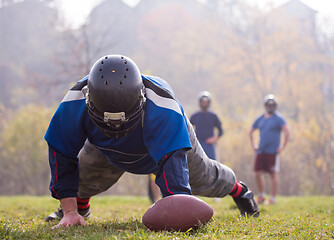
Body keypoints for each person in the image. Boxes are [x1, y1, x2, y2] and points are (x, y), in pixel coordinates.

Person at [44, 55, 259, 228]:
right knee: (83, 178)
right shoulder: (75, 101)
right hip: (104, 145)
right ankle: (78, 209)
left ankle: (240, 191)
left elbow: (174, 177)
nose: (116, 128)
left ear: (142, 98)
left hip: (160, 143)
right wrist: (70, 210)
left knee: (205, 178)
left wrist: (177, 210)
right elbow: (61, 152)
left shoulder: (164, 109)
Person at [249, 94, 290, 204]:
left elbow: (287, 132)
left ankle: (273, 198)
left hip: (273, 151)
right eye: (268, 105)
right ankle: (261, 195)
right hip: (261, 150)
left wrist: (282, 147)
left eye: (272, 105)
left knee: (273, 174)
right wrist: (253, 145)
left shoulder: (279, 118)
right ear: (265, 106)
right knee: (257, 173)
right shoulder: (260, 119)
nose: (270, 106)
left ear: (275, 106)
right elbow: (251, 132)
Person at [190, 91, 223, 160]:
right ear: (200, 102)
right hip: (198, 146)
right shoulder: (195, 116)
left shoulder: (213, 116)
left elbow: (221, 131)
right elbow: (187, 129)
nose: (204, 103)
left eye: (206, 102)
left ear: (209, 103)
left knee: (212, 166)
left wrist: (214, 139)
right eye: (203, 102)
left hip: (210, 146)